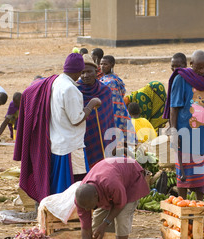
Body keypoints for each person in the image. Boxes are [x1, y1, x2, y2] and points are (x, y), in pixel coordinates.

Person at [14, 53, 101, 204]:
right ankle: (67, 213)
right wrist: (91, 104)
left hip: (57, 140)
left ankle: (56, 211)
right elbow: (76, 119)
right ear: (77, 71)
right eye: (81, 72)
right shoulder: (70, 89)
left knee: (58, 184)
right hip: (70, 144)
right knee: (72, 185)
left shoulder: (56, 82)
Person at [74, 157, 150, 239]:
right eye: (85, 208)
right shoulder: (81, 199)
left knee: (122, 219)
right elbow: (85, 228)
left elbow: (120, 204)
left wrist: (105, 224)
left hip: (130, 179)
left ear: (96, 196)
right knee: (96, 221)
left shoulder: (111, 183)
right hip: (111, 176)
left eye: (90, 207)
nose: (88, 210)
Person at [168, 50, 204, 200]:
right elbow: (173, 107)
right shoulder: (181, 79)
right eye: (199, 68)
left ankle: (199, 202)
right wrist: (173, 131)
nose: (202, 71)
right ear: (191, 65)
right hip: (185, 132)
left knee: (200, 171)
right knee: (184, 173)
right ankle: (182, 203)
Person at [77, 54, 115, 169]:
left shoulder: (105, 91)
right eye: (82, 72)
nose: (85, 75)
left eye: (89, 71)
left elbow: (109, 120)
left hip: (101, 137)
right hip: (82, 137)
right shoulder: (75, 91)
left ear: (96, 71)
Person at [100, 55, 132, 140]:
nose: (102, 66)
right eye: (101, 64)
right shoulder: (105, 79)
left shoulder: (112, 82)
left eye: (105, 64)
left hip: (113, 112)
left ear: (112, 65)